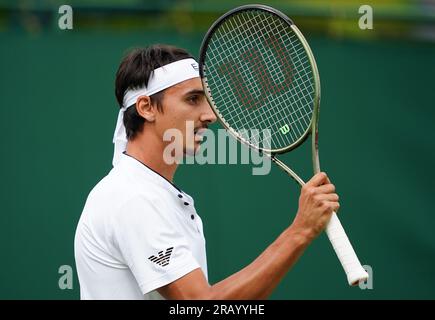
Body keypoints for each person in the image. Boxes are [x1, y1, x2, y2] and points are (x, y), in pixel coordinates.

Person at [74, 44, 340, 300]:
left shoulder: (151, 194)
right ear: (146, 108)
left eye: (207, 99)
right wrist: (299, 231)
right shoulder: (133, 198)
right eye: (193, 99)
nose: (210, 115)